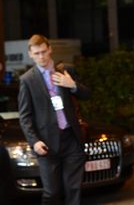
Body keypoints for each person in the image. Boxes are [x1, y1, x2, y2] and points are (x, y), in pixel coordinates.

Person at [18, 34, 91, 205]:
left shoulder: (66, 71)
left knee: (73, 189)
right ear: (30, 54)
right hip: (47, 144)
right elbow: (25, 116)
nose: (41, 57)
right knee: (52, 192)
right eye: (36, 53)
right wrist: (34, 141)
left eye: (44, 52)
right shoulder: (27, 80)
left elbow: (87, 94)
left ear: (50, 49)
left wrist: (72, 85)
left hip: (71, 138)